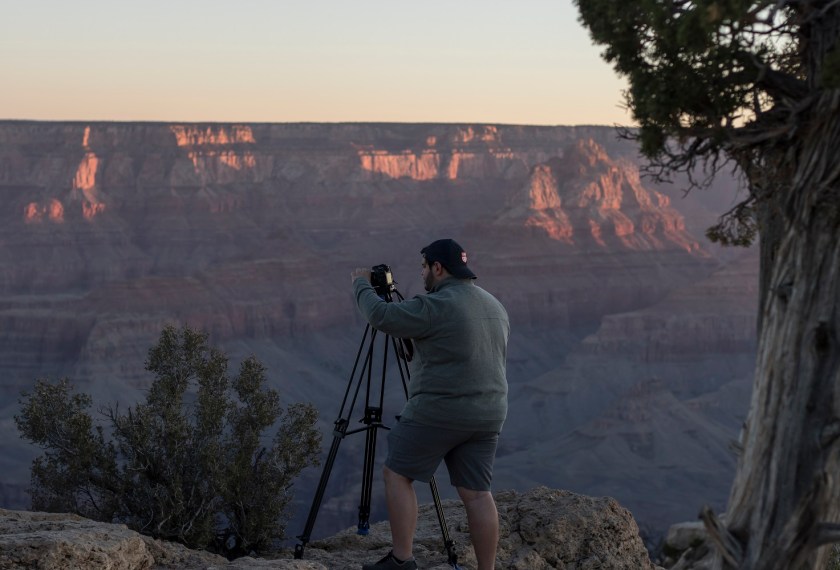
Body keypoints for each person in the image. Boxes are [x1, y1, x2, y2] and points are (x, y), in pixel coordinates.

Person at [351, 238, 509, 570]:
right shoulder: (494, 304)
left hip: (442, 411)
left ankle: (402, 559)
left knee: (396, 473)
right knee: (478, 494)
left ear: (438, 268)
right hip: (490, 413)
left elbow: (380, 315)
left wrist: (361, 285)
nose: (422, 273)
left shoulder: (434, 306)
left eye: (424, 266)